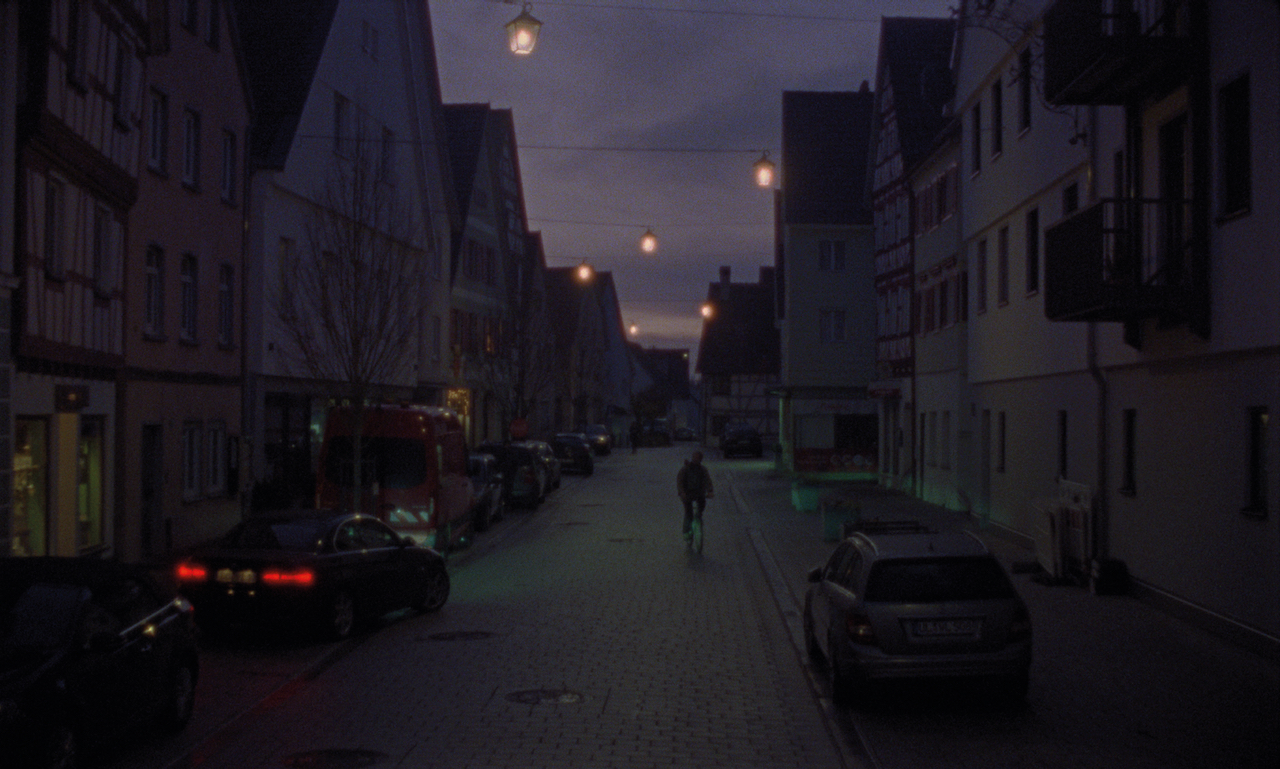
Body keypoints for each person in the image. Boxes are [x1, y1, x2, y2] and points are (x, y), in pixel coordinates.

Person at [676, 451, 714, 539]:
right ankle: (686, 532)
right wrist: (682, 492)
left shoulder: (703, 469)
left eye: (698, 458)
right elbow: (680, 481)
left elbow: (707, 480)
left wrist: (710, 491)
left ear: (701, 459)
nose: (695, 459)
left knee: (701, 507)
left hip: (699, 493)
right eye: (694, 457)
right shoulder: (685, 469)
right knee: (688, 513)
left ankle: (698, 517)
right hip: (687, 494)